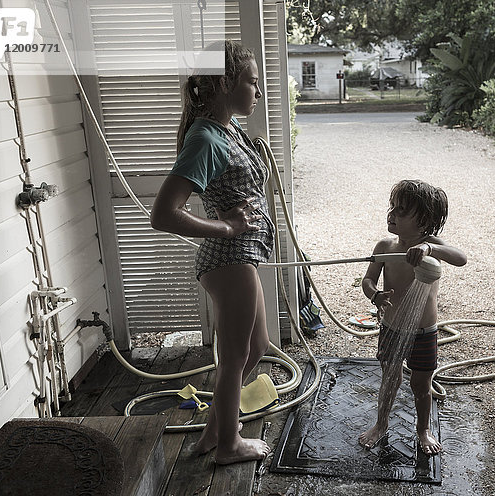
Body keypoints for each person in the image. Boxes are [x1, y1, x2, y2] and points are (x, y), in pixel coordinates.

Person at [150, 40, 274, 465]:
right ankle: (229, 446)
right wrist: (226, 225)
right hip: (228, 258)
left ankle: (212, 432)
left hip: (241, 255)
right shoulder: (205, 136)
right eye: (252, 83)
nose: (258, 92)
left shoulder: (226, 129)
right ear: (225, 84)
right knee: (236, 356)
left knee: (256, 348)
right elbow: (164, 214)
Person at [358, 179, 467, 455]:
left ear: (424, 222)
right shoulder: (384, 246)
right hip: (392, 328)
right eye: (392, 207)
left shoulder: (430, 245)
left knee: (421, 385)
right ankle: (381, 424)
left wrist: (430, 249)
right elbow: (368, 280)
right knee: (389, 380)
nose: (392, 214)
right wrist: (375, 295)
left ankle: (423, 429)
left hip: (424, 332)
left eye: (402, 210)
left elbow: (460, 257)